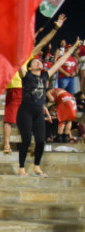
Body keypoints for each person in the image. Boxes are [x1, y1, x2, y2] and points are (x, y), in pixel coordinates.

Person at [17, 39, 82, 177]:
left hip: (38, 112)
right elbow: (18, 63)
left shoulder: (45, 75)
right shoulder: (26, 76)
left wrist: (74, 46)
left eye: (38, 61)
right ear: (29, 67)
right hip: (25, 111)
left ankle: (36, 167)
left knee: (41, 140)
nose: (38, 62)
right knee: (27, 140)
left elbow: (59, 62)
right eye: (34, 62)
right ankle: (21, 167)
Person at [2, 14, 66, 153]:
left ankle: (27, 145)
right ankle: (7, 145)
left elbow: (42, 43)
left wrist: (55, 28)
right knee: (9, 119)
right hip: (13, 89)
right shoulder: (7, 54)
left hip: (26, 89)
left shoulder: (27, 55)